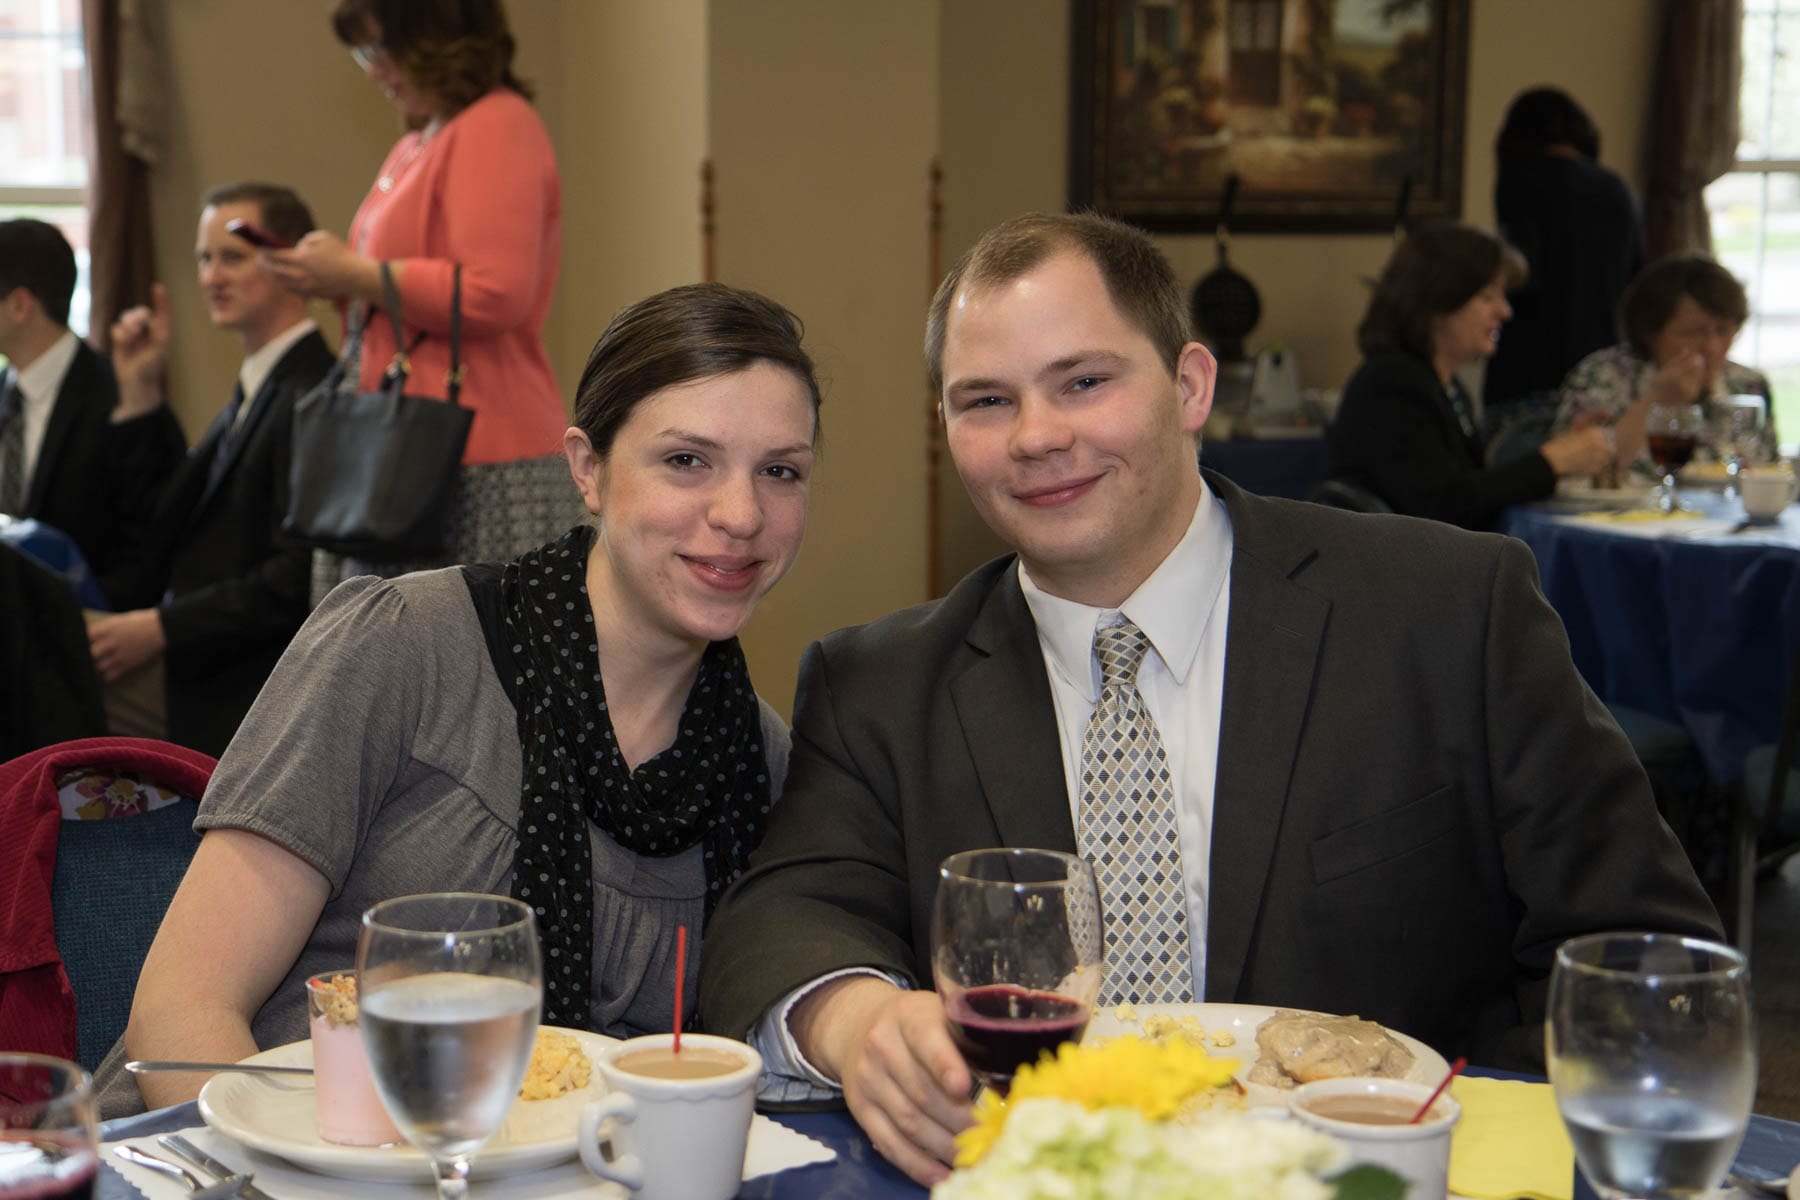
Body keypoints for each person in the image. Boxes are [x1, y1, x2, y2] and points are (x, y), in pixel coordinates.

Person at [696, 212, 1721, 1187]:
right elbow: (784, 917)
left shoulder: (1447, 615)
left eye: (1084, 380)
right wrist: (857, 1021)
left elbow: (1643, 953)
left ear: (1190, 385)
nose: (1036, 436)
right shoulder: (879, 686)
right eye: (986, 400)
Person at [111, 282, 820, 1118]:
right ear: (587, 469)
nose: (741, 514)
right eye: (686, 460)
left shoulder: (759, 763)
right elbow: (181, 1011)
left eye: (780, 472)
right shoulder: (405, 645)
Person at [261, 0, 574, 601]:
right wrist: (337, 281)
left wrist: (354, 272)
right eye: (364, 54)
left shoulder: (497, 123)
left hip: (475, 462)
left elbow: (494, 293)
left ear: (441, 38)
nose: (374, 71)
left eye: (383, 50)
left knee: (472, 679)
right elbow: (402, 299)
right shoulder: (419, 142)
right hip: (404, 453)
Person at [86, 183, 336, 759]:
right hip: (204, 661)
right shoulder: (257, 386)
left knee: (37, 667)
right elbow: (164, 530)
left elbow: (297, 577)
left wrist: (161, 628)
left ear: (290, 260)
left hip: (249, 683)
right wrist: (140, 390)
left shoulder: (313, 390)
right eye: (204, 258)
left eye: (233, 256)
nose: (211, 276)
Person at [1326, 220, 1614, 531]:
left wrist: (1563, 453)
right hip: (1390, 572)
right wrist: (1552, 462)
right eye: (1488, 298)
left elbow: (1474, 488)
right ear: (1438, 301)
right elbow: (1443, 507)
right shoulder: (1391, 383)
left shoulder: (1444, 385)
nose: (1505, 311)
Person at [0, 219, 185, 601]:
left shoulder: (124, 397)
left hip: (90, 638)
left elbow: (154, 544)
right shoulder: (6, 392)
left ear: (20, 305)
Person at [1483, 88, 1648, 416]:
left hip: (1528, 365)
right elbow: (1636, 278)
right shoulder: (1617, 188)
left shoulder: (1520, 180)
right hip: (1598, 367)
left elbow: (1521, 274)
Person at [1552, 254, 1775, 472]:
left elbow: (1766, 473)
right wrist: (1657, 399)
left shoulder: (1748, 385)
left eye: (1724, 331)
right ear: (1651, 334)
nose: (1712, 347)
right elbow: (1579, 472)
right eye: (1695, 333)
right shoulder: (1602, 376)